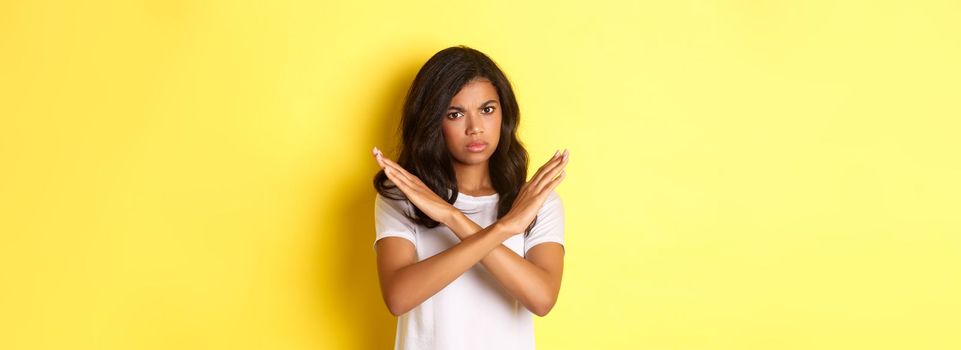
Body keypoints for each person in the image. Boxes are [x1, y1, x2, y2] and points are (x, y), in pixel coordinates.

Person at [371, 45, 568, 350]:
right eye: (455, 113)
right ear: (434, 122)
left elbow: (541, 299)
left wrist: (457, 221)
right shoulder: (404, 196)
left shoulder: (534, 203)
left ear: (504, 114)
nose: (475, 128)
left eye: (487, 110)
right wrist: (499, 229)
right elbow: (398, 297)